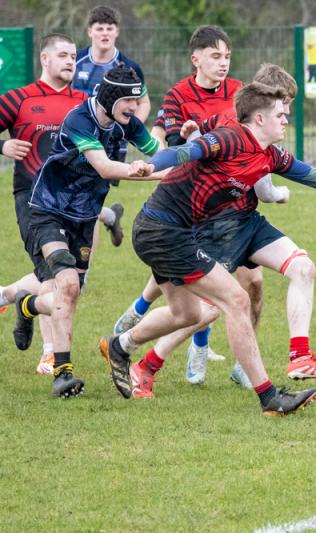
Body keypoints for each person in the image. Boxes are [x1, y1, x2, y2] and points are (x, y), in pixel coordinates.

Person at [97, 82, 316, 412]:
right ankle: (270, 398)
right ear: (258, 118)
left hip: (178, 232)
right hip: (162, 230)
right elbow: (186, 151)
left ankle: (121, 345)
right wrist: (153, 164)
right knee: (236, 299)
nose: (286, 120)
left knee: (189, 313)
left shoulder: (270, 154)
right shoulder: (230, 139)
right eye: (280, 115)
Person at [12, 65, 160, 399]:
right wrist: (147, 172)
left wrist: (184, 150)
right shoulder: (79, 119)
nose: (135, 108)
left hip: (84, 217)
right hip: (47, 210)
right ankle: (63, 374)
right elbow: (105, 167)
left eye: (137, 102)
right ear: (110, 98)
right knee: (65, 283)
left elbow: (156, 151)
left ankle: (28, 306)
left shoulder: (128, 124)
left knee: (72, 291)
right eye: (129, 101)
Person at [114, 25, 244, 372]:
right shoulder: (177, 95)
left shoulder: (237, 91)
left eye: (227, 56)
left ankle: (148, 317)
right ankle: (177, 345)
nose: (223, 63)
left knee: (215, 280)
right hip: (189, 198)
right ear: (196, 59)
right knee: (207, 281)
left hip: (226, 198)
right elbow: (174, 146)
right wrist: (186, 139)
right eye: (216, 56)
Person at [0, 33, 87, 375]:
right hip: (34, 200)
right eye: (63, 54)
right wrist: (3, 148)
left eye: (74, 56)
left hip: (78, 202)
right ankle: (52, 354)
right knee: (58, 276)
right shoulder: (19, 99)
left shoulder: (84, 102)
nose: (70, 61)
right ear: (45, 59)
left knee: (73, 281)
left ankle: (15, 299)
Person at [73, 5, 150, 246]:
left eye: (110, 28)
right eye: (99, 28)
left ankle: (82, 275)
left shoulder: (128, 67)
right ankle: (110, 216)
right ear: (90, 32)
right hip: (77, 138)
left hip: (109, 144)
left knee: (88, 201)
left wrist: (129, 128)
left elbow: (144, 102)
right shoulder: (75, 61)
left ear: (117, 32)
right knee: (78, 199)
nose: (104, 33)